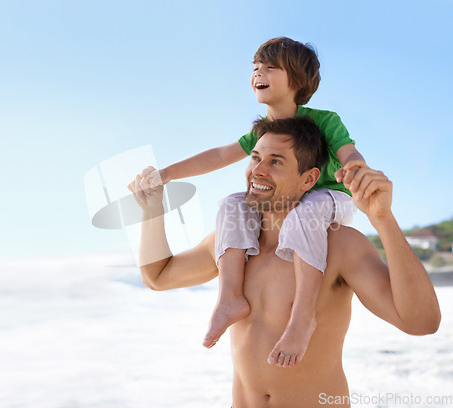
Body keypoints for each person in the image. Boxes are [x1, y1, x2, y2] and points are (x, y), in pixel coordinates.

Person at [128, 116, 441, 407]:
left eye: (276, 161)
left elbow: (421, 322)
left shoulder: (339, 244)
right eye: (255, 158)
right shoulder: (232, 246)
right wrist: (151, 209)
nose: (259, 170)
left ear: (309, 179)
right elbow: (158, 276)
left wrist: (383, 219)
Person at [141, 37, 366, 364]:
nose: (259, 72)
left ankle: (302, 315)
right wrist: (167, 173)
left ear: (298, 80)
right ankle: (229, 298)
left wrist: (357, 169)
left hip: (330, 198)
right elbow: (220, 155)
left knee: (305, 213)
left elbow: (348, 151)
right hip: (290, 205)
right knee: (231, 203)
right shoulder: (263, 130)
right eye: (256, 67)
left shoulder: (324, 120)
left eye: (271, 67)